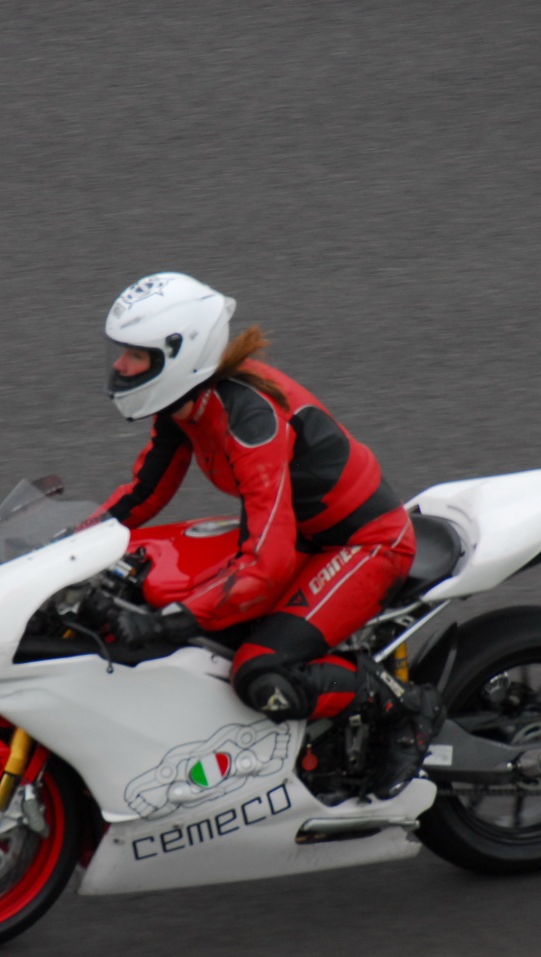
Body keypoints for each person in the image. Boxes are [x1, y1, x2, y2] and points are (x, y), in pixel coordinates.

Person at [88, 271, 437, 799]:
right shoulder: (183, 405)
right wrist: (63, 548)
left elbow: (265, 565)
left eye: (135, 355)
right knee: (172, 601)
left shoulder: (252, 422)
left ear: (179, 356)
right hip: (303, 534)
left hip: (364, 544)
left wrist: (171, 620)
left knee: (259, 670)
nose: (119, 365)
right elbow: (141, 494)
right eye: (122, 352)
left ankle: (405, 710)